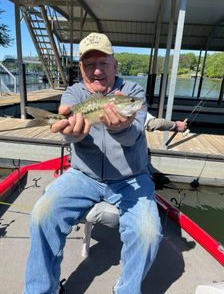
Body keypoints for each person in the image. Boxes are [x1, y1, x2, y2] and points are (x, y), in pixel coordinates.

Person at [23, 32, 185, 294]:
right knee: (42, 214)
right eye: (89, 65)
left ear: (115, 64)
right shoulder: (74, 93)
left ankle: (125, 289)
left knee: (147, 233)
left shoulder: (131, 92)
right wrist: (68, 131)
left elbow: (134, 134)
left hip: (131, 177)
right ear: (81, 69)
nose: (97, 71)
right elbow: (67, 126)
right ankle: (43, 290)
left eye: (103, 63)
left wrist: (120, 128)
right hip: (83, 176)